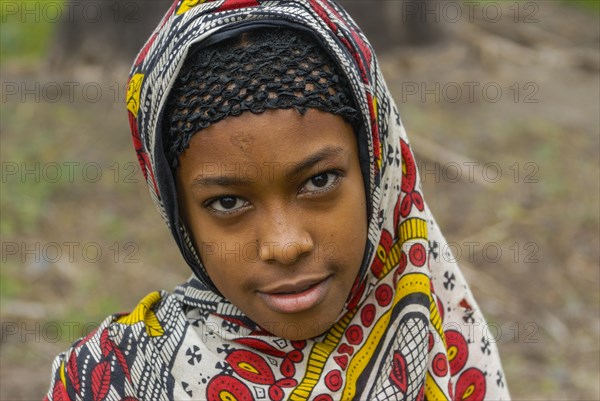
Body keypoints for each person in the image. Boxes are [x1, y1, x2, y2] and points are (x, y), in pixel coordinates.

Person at [45, 1, 510, 400]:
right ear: (178, 210)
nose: (285, 245)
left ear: (377, 170)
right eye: (228, 203)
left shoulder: (445, 349)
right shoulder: (111, 381)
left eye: (320, 180)